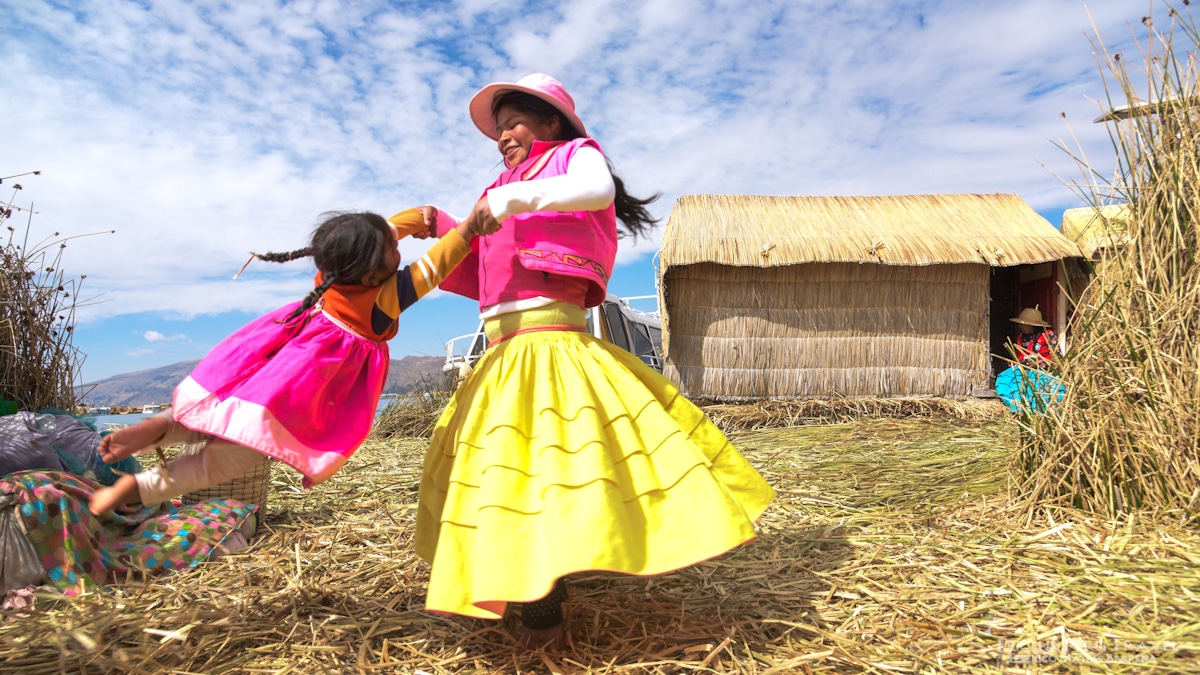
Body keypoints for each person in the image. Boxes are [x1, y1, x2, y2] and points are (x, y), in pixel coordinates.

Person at [413, 73, 775, 649]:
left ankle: (543, 611)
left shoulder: (573, 158)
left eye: (515, 123)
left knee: (544, 472)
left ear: (552, 122)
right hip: (502, 353)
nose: (503, 135)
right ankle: (542, 576)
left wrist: (511, 199)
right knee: (516, 476)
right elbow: (479, 264)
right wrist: (439, 225)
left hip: (551, 345)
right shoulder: (500, 186)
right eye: (498, 128)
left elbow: (597, 190)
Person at [89, 209, 497, 516]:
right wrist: (467, 229)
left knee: (207, 416)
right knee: (225, 461)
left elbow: (373, 237)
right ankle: (136, 489)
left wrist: (414, 219)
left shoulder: (332, 276)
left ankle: (165, 424)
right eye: (394, 249)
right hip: (294, 389)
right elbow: (436, 264)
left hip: (267, 365)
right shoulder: (383, 299)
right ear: (374, 275)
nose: (399, 247)